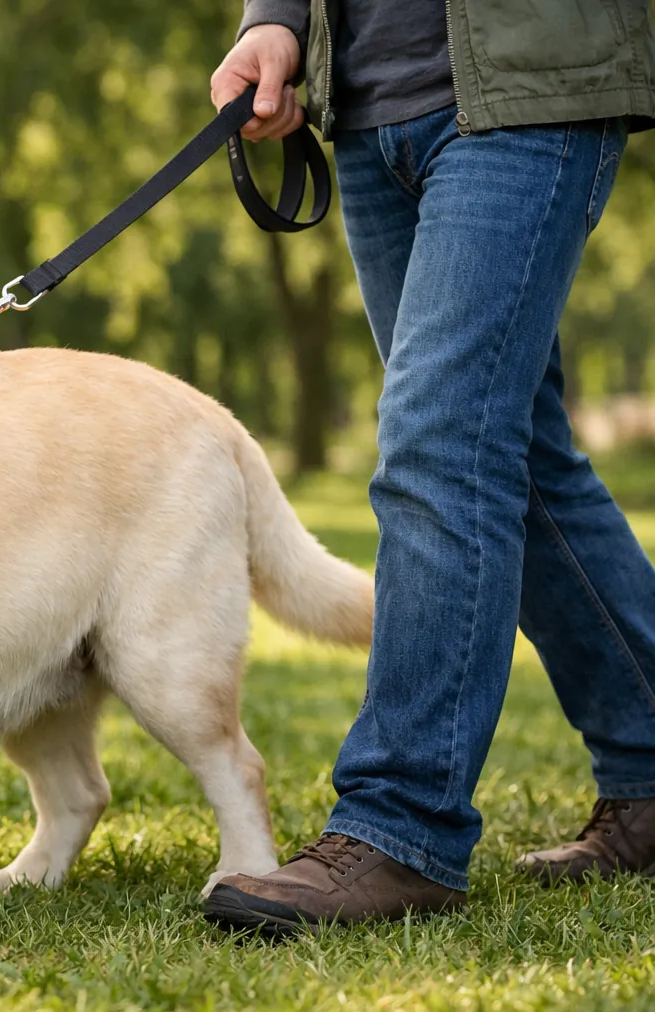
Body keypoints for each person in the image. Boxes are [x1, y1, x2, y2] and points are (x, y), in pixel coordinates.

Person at [200, 0, 655, 933]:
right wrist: (275, 19)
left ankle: (402, 825)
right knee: (520, 459)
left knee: (438, 442)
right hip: (368, 106)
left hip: (529, 81)